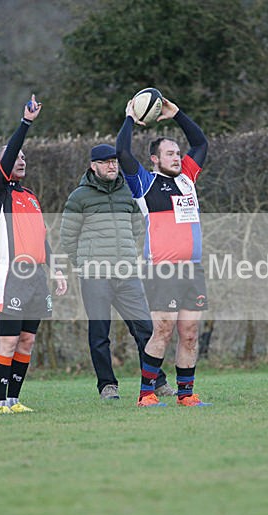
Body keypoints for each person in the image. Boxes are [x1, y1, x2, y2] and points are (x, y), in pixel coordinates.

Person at [116, 94, 211, 407]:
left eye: (177, 153)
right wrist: (130, 116)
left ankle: (186, 395)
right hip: (162, 269)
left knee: (190, 332)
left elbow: (201, 143)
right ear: (154, 159)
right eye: (169, 153)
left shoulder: (187, 178)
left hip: (192, 269)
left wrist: (177, 113)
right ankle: (146, 394)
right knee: (164, 329)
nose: (176, 157)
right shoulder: (144, 183)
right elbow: (122, 152)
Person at [59, 143, 175, 400]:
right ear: (94, 166)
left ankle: (157, 381)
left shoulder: (127, 191)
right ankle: (107, 386)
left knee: (145, 329)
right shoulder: (80, 196)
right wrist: (83, 265)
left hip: (127, 275)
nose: (112, 166)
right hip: (95, 277)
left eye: (114, 161)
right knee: (100, 334)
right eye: (106, 162)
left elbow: (138, 227)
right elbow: (67, 237)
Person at [0, 95, 67, 414]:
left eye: (24, 157)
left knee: (27, 341)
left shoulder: (30, 197)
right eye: (14, 157)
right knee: (7, 340)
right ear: (0, 167)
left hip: (37, 277)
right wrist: (26, 123)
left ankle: (15, 401)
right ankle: (0, 402)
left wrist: (57, 270)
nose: (21, 160)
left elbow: (43, 239)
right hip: (11, 274)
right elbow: (7, 160)